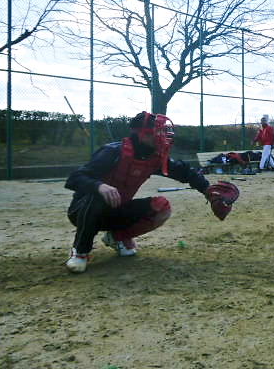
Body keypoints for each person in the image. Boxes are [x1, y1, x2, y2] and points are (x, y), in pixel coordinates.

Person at [64, 111, 238, 273]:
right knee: (98, 196)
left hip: (117, 210)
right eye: (158, 132)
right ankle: (80, 251)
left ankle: (116, 237)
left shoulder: (154, 156)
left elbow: (184, 172)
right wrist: (100, 186)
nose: (162, 137)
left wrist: (208, 190)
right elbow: (75, 178)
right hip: (83, 211)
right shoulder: (113, 151)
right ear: (143, 134)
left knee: (161, 207)